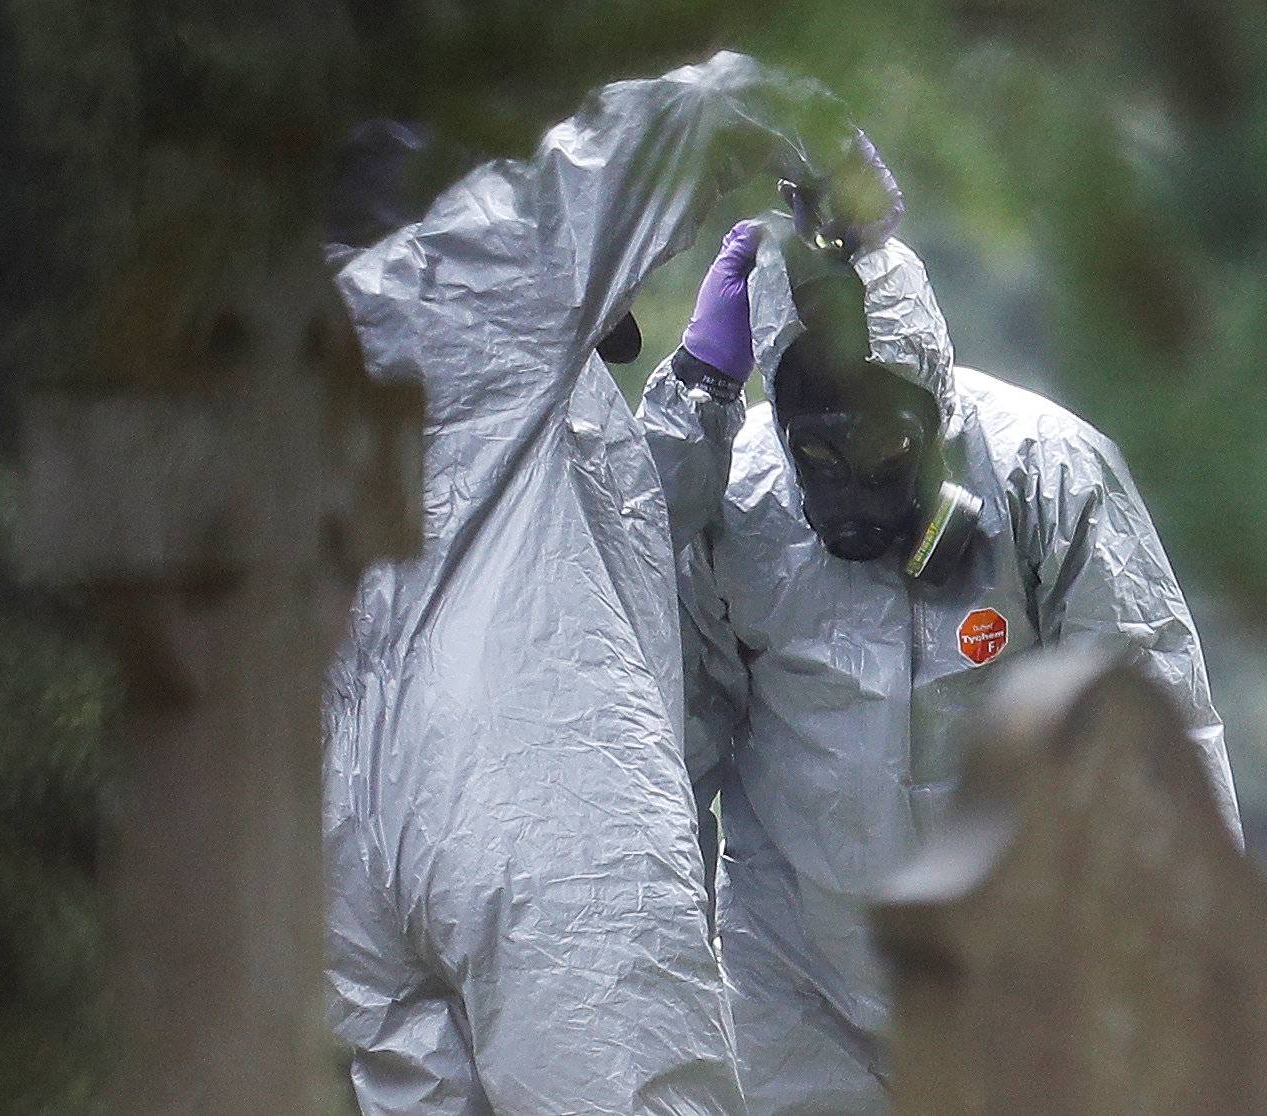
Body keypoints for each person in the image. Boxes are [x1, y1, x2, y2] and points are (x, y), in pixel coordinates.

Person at [321, 53, 901, 1114]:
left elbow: (575, 534)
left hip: (346, 876)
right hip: (532, 817)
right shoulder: (452, 288)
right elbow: (637, 150)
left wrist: (699, 392)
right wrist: (792, 110)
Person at [638, 216, 1243, 1114]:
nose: (848, 481)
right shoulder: (736, 499)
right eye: (819, 451)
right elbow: (664, 745)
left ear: (933, 411)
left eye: (883, 448)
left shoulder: (1045, 474)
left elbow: (1156, 741)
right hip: (804, 987)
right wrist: (652, 975)